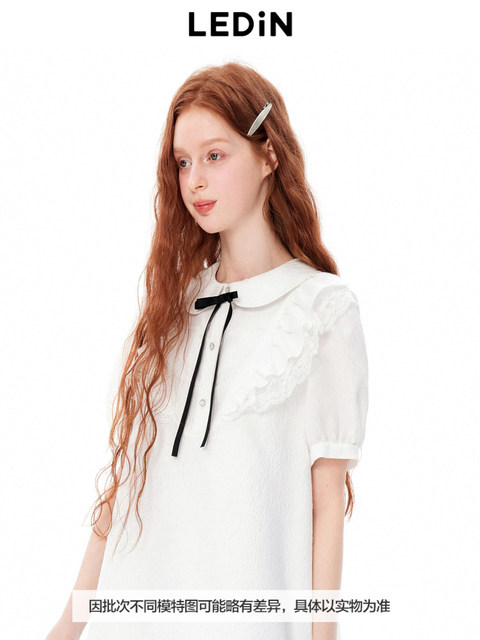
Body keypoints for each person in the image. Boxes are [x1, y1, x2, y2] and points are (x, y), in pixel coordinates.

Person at [45, 61, 369, 640]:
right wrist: (65, 630)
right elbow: (124, 490)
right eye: (182, 162)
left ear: (269, 155)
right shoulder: (172, 306)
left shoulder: (322, 310)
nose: (194, 180)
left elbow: (327, 510)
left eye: (214, 156)